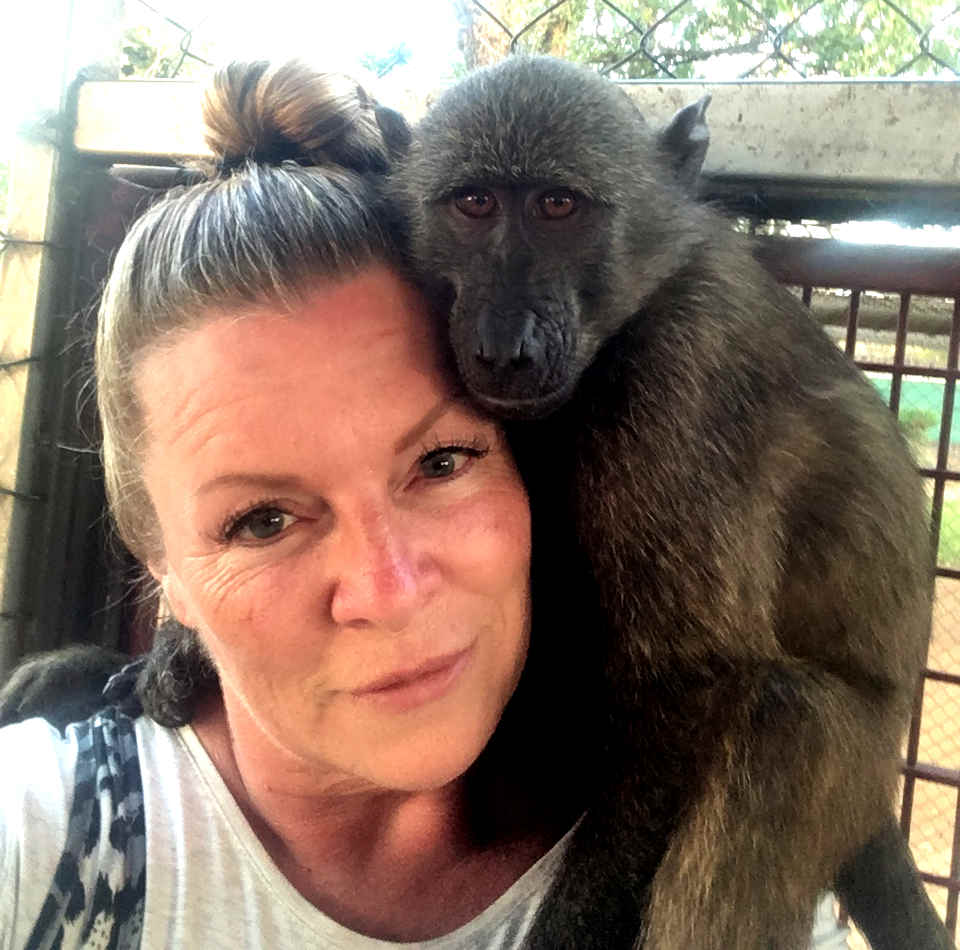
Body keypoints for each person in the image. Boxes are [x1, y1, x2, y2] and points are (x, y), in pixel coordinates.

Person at [0, 60, 850, 948]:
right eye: (262, 521)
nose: (391, 589)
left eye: (442, 461)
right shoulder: (36, 833)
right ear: (160, 564)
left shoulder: (723, 868)